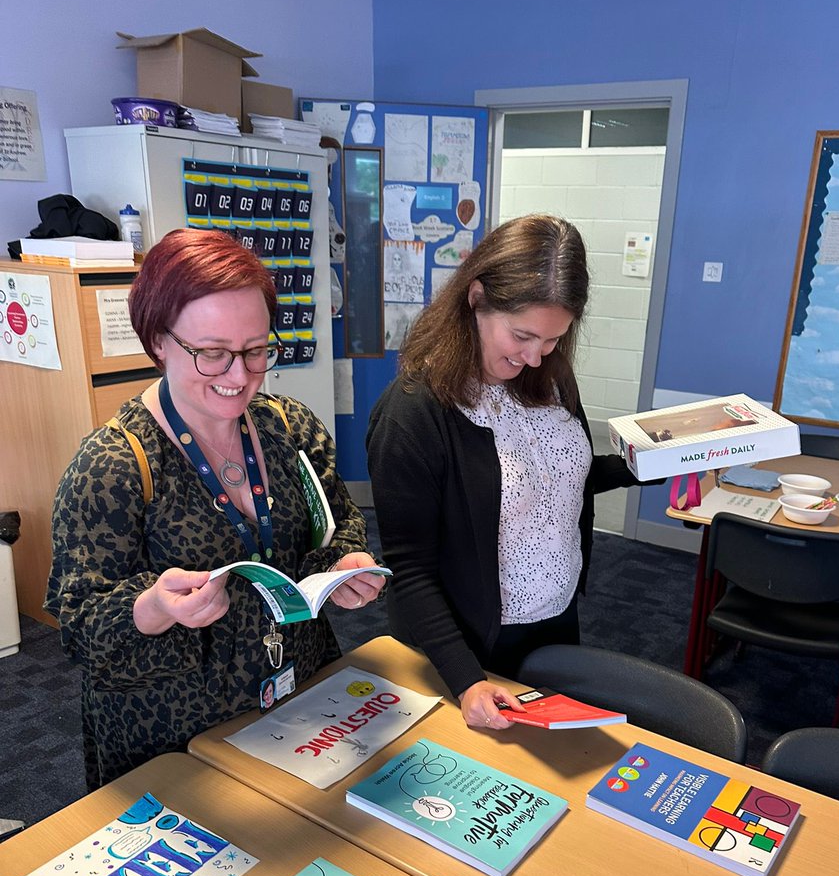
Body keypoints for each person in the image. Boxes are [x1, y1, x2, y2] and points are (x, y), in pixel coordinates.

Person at [46, 228, 384, 789]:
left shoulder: (288, 427)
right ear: (158, 341)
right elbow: (79, 631)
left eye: (256, 350)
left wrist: (345, 563)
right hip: (176, 739)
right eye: (212, 354)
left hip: (297, 701)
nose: (239, 376)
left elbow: (338, 522)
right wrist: (153, 608)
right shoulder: (113, 466)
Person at [367, 214, 649, 731]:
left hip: (555, 615)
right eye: (523, 335)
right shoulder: (413, 411)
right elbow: (409, 570)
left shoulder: (550, 378)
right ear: (475, 298)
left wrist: (645, 466)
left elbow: (559, 480)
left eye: (552, 340)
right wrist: (465, 677)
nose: (535, 356)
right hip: (465, 643)